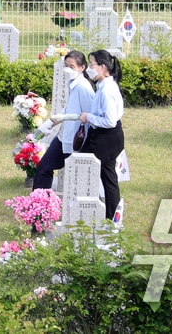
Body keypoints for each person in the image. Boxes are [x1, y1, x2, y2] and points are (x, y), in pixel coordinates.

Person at [33, 51, 95, 191]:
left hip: (76, 139)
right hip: (63, 137)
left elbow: (90, 115)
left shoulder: (83, 87)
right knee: (44, 167)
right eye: (66, 66)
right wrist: (50, 123)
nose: (68, 70)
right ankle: (38, 203)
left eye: (71, 67)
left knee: (76, 177)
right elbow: (68, 110)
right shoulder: (73, 84)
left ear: (82, 68)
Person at [79, 49, 125, 219]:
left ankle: (110, 216)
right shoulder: (104, 85)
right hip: (104, 137)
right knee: (107, 177)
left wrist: (88, 117)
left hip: (107, 138)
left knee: (99, 173)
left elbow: (110, 120)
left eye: (92, 65)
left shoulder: (106, 90)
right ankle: (109, 215)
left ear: (103, 67)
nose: (89, 68)